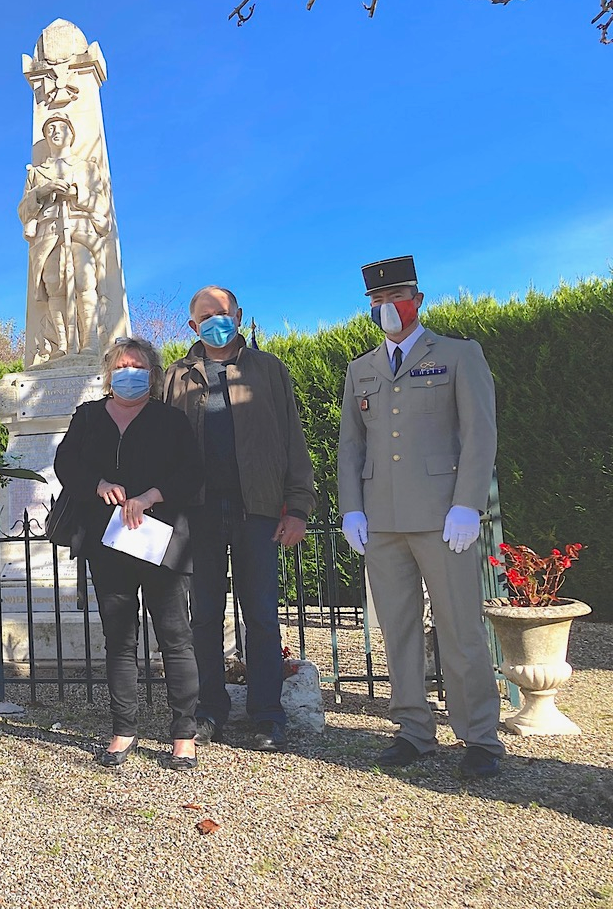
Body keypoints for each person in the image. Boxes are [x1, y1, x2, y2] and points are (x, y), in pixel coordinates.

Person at [338, 255, 504, 779]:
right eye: (377, 300)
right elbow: (351, 446)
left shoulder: (457, 354)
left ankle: (479, 735)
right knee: (398, 629)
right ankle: (413, 730)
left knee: (460, 627)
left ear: (418, 299)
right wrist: (351, 507)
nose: (387, 307)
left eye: (396, 296)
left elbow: (480, 433)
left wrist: (468, 502)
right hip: (382, 520)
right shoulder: (361, 369)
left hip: (442, 517)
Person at [163, 286, 316, 752]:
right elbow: (159, 444)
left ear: (239, 315)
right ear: (193, 326)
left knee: (262, 616)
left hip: (259, 509)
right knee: (204, 616)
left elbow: (292, 439)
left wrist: (298, 506)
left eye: (224, 312)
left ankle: (267, 713)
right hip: (198, 512)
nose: (216, 321)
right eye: (206, 315)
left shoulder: (268, 369)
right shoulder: (176, 376)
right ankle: (209, 710)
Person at [54, 336, 203, 769]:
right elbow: (67, 465)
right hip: (109, 543)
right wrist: (98, 485)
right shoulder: (88, 416)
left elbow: (192, 472)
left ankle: (184, 734)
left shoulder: (170, 420)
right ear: (108, 373)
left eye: (137, 366)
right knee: (119, 640)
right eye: (121, 366)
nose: (129, 373)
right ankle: (124, 730)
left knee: (175, 638)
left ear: (152, 374)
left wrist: (153, 495)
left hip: (162, 542)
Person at [18, 112, 112, 364]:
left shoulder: (86, 167)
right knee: (54, 286)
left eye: (61, 127)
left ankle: (90, 341)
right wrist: (42, 191)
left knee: (85, 281)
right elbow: (24, 210)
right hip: (48, 233)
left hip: (79, 228)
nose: (55, 132)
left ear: (71, 134)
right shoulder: (37, 173)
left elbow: (102, 203)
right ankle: (62, 344)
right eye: (50, 128)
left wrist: (76, 193)